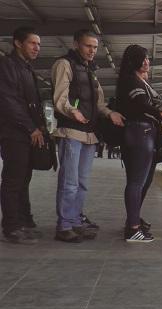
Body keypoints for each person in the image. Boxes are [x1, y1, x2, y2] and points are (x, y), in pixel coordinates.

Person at [51, 29, 125, 243]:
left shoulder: (91, 71)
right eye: (87, 46)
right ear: (76, 44)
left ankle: (74, 220)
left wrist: (111, 113)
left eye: (94, 47)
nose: (92, 50)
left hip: (90, 135)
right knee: (70, 182)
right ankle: (64, 225)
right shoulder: (64, 64)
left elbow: (99, 104)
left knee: (82, 183)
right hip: (71, 131)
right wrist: (71, 110)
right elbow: (59, 97)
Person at [116, 44, 162, 242]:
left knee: (143, 181)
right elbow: (141, 105)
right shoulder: (131, 81)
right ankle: (132, 228)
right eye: (143, 58)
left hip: (146, 133)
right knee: (136, 181)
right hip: (140, 132)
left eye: (148, 58)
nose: (147, 62)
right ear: (133, 61)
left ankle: (133, 219)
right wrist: (159, 112)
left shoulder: (139, 81)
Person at [0, 27, 46, 244]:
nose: (37, 48)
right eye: (32, 43)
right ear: (18, 43)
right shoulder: (7, 66)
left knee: (23, 180)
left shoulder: (27, 69)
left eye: (39, 44)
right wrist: (31, 127)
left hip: (26, 133)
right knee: (13, 180)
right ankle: (11, 226)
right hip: (14, 133)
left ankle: (23, 221)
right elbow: (9, 102)